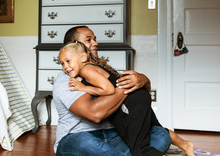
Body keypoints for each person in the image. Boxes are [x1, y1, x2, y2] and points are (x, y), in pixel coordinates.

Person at [53, 26, 194, 155]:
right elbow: (95, 114)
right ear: (73, 46)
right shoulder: (66, 80)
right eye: (89, 40)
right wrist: (124, 87)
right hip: (78, 136)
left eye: (95, 39)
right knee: (85, 143)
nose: (95, 43)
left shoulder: (101, 69)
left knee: (160, 135)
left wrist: (142, 80)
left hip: (115, 134)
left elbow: (135, 93)